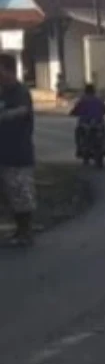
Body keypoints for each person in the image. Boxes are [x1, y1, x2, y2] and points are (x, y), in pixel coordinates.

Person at [0, 53, 36, 247]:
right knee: (9, 194)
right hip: (3, 153)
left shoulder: (20, 92)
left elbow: (22, 111)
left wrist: (4, 115)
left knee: (21, 192)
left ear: (8, 70)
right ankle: (18, 230)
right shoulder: (3, 92)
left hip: (18, 152)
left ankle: (25, 231)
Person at [69, 84, 105, 157]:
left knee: (78, 131)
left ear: (85, 91)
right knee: (103, 132)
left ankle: (79, 148)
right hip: (98, 122)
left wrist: (72, 113)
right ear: (94, 91)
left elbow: (75, 110)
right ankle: (104, 147)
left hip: (85, 122)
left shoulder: (82, 100)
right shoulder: (99, 100)